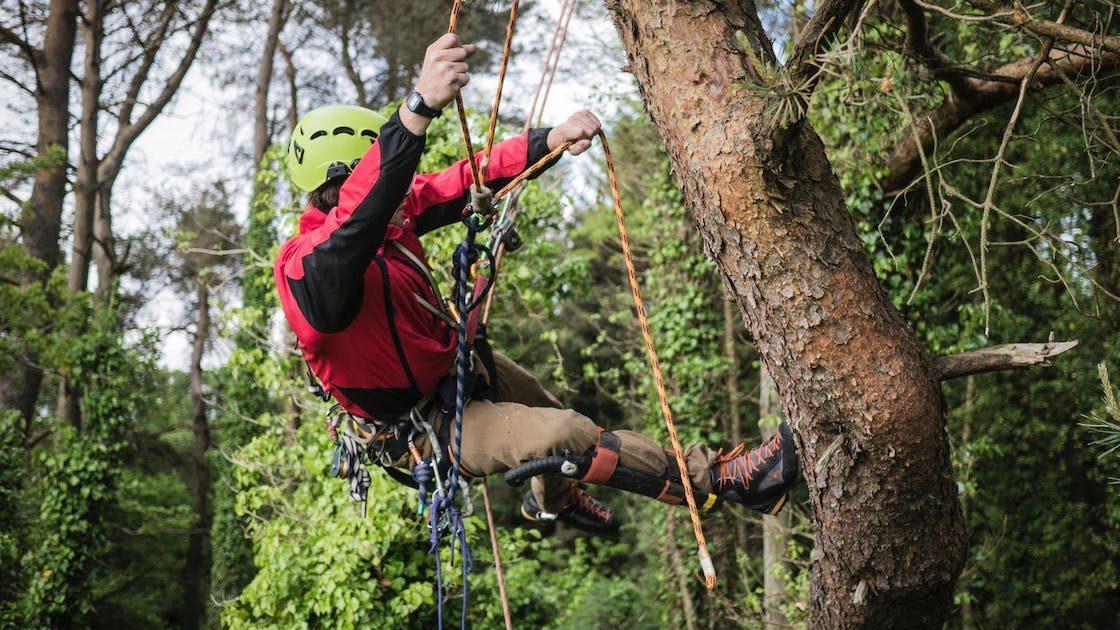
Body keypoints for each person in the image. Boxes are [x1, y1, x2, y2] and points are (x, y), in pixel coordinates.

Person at [275, 33, 799, 534]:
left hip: (455, 369)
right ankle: (726, 483)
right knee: (564, 434)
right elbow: (353, 233)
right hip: (423, 428)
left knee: (547, 409)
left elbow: (464, 179)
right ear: (343, 188)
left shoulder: (396, 210)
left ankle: (552, 501)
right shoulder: (306, 271)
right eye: (386, 186)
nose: (404, 197)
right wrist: (416, 109)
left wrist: (549, 139)